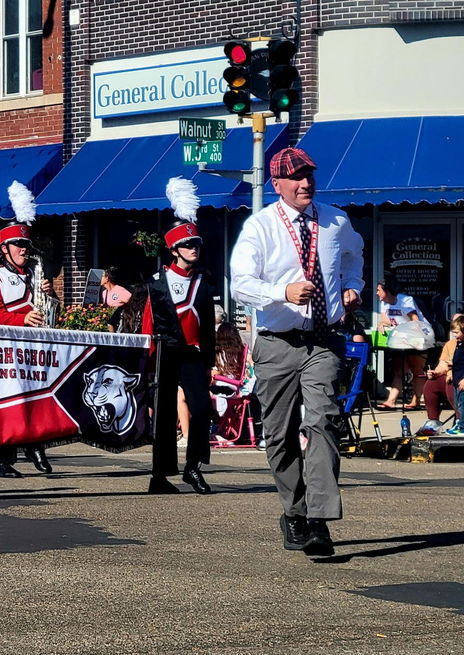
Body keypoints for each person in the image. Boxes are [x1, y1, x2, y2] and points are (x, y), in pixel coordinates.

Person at [231, 147, 364, 557]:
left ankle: (320, 522)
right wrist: (281, 292)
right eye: (296, 177)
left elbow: (354, 256)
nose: (306, 183)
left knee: (323, 420)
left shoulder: (336, 220)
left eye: (309, 175)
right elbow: (240, 283)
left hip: (324, 339)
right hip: (276, 342)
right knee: (279, 434)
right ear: (277, 184)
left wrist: (352, 286)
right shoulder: (260, 227)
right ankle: (295, 511)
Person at [141, 177, 215, 495]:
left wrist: (209, 363)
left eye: (196, 244)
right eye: (187, 245)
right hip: (165, 353)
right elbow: (147, 323)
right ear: (174, 249)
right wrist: (147, 362)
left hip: (193, 356)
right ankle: (160, 474)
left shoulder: (204, 283)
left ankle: (193, 467)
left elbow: (207, 328)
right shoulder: (157, 282)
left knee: (201, 409)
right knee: (163, 415)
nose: (193, 249)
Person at [0, 181, 56, 477]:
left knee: (38, 399)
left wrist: (50, 295)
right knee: (8, 406)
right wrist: (22, 320)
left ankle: (36, 446)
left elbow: (49, 310)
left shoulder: (35, 273)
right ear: (4, 249)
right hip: (7, 350)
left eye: (25, 244)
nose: (24, 249)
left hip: (36, 346)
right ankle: (3, 461)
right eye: (17, 245)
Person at [375, 275, 427, 409]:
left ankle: (416, 401)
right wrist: (382, 323)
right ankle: (391, 401)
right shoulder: (383, 303)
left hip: (418, 335)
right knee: (399, 370)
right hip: (401, 338)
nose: (376, 293)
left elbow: (415, 320)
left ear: (387, 290)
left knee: (417, 370)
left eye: (379, 290)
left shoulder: (405, 300)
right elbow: (387, 320)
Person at [417, 313, 464, 435]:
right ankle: (433, 421)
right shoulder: (452, 344)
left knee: (452, 385)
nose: (454, 333)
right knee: (432, 384)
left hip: (459, 378)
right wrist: (435, 372)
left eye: (457, 330)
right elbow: (443, 364)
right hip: (453, 375)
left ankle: (461, 422)